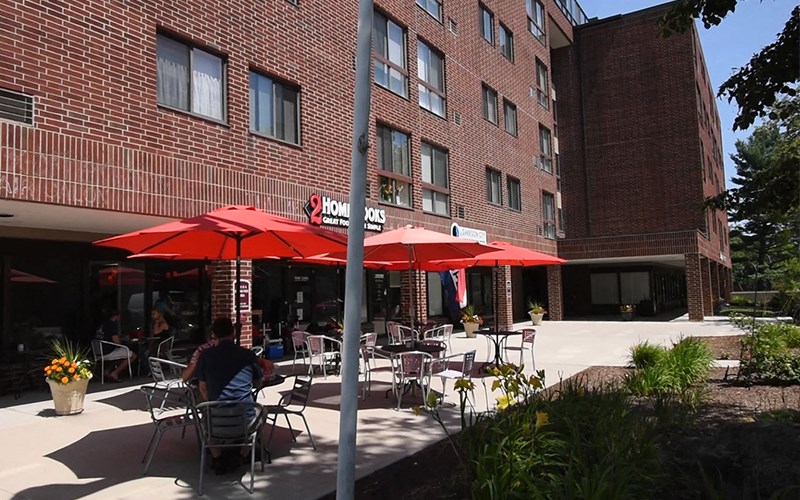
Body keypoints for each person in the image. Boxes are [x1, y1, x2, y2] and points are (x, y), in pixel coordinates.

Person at [196, 317, 263, 473]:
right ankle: (242, 456)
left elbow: (203, 388)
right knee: (261, 412)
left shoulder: (206, 355)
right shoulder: (247, 355)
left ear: (213, 334)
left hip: (216, 422)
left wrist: (214, 404)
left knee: (204, 418)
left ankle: (217, 458)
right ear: (233, 333)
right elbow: (258, 383)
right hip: (244, 421)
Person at [99, 310, 137, 382]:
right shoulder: (112, 325)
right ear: (117, 316)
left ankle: (107, 371)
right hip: (108, 352)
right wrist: (123, 340)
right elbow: (117, 342)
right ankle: (115, 373)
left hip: (99, 352)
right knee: (133, 355)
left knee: (120, 355)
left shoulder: (103, 325)